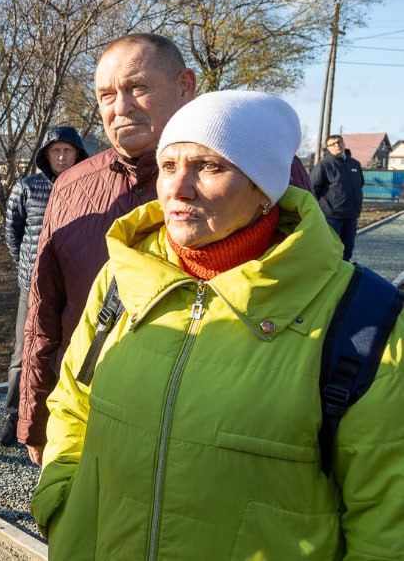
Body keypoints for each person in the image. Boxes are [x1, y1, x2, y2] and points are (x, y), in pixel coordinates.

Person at [31, 90, 404, 559]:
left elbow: (386, 523)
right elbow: (73, 402)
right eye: (168, 166)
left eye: (210, 166)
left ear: (263, 188)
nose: (178, 188)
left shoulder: (362, 319)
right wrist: (61, 501)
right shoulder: (123, 277)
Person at [17, 33, 312, 464]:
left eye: (137, 88)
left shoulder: (258, 168)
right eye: (106, 95)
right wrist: (36, 419)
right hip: (93, 417)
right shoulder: (70, 187)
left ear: (185, 86)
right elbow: (45, 313)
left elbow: (310, 292)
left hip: (222, 429)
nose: (120, 107)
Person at [0, 126, 89, 447]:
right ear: (46, 155)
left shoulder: (85, 188)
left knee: (74, 350)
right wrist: (28, 269)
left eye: (67, 151)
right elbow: (13, 234)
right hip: (32, 287)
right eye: (55, 151)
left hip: (74, 285)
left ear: (77, 153)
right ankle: (13, 415)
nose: (62, 157)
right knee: (24, 353)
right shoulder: (27, 188)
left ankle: (63, 417)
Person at [311, 134, 365, 260]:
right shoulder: (324, 165)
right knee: (330, 249)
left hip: (351, 215)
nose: (337, 145)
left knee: (347, 250)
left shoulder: (354, 164)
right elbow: (313, 189)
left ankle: (344, 275)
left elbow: (360, 183)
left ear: (344, 143)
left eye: (339, 142)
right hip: (332, 216)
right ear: (328, 148)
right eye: (332, 144)